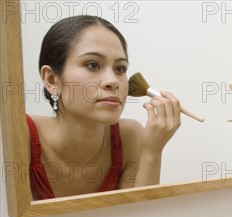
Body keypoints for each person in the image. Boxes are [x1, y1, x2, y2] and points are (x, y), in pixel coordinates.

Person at [27, 15, 181, 200]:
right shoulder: (21, 133)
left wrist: (152, 151)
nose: (113, 81)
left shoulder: (128, 136)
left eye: (120, 69)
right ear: (51, 79)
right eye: (92, 65)